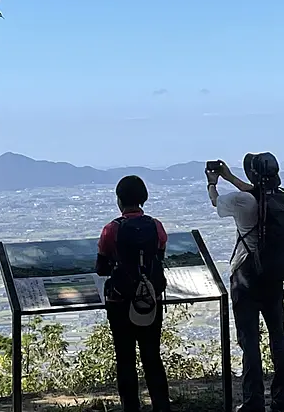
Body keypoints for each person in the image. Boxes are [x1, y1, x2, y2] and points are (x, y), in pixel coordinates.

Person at [207, 153, 284, 412]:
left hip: (246, 277)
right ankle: (282, 402)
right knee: (278, 339)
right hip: (273, 277)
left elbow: (216, 203)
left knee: (250, 342)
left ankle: (253, 402)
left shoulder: (242, 200)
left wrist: (213, 183)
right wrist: (230, 176)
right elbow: (255, 190)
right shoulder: (280, 198)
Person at [95, 175, 171, 412]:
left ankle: (131, 407)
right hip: (151, 299)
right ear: (143, 199)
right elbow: (160, 255)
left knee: (125, 357)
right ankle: (162, 406)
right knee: (152, 355)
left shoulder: (111, 229)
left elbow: (101, 267)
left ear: (119, 200)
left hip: (120, 301)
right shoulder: (156, 226)